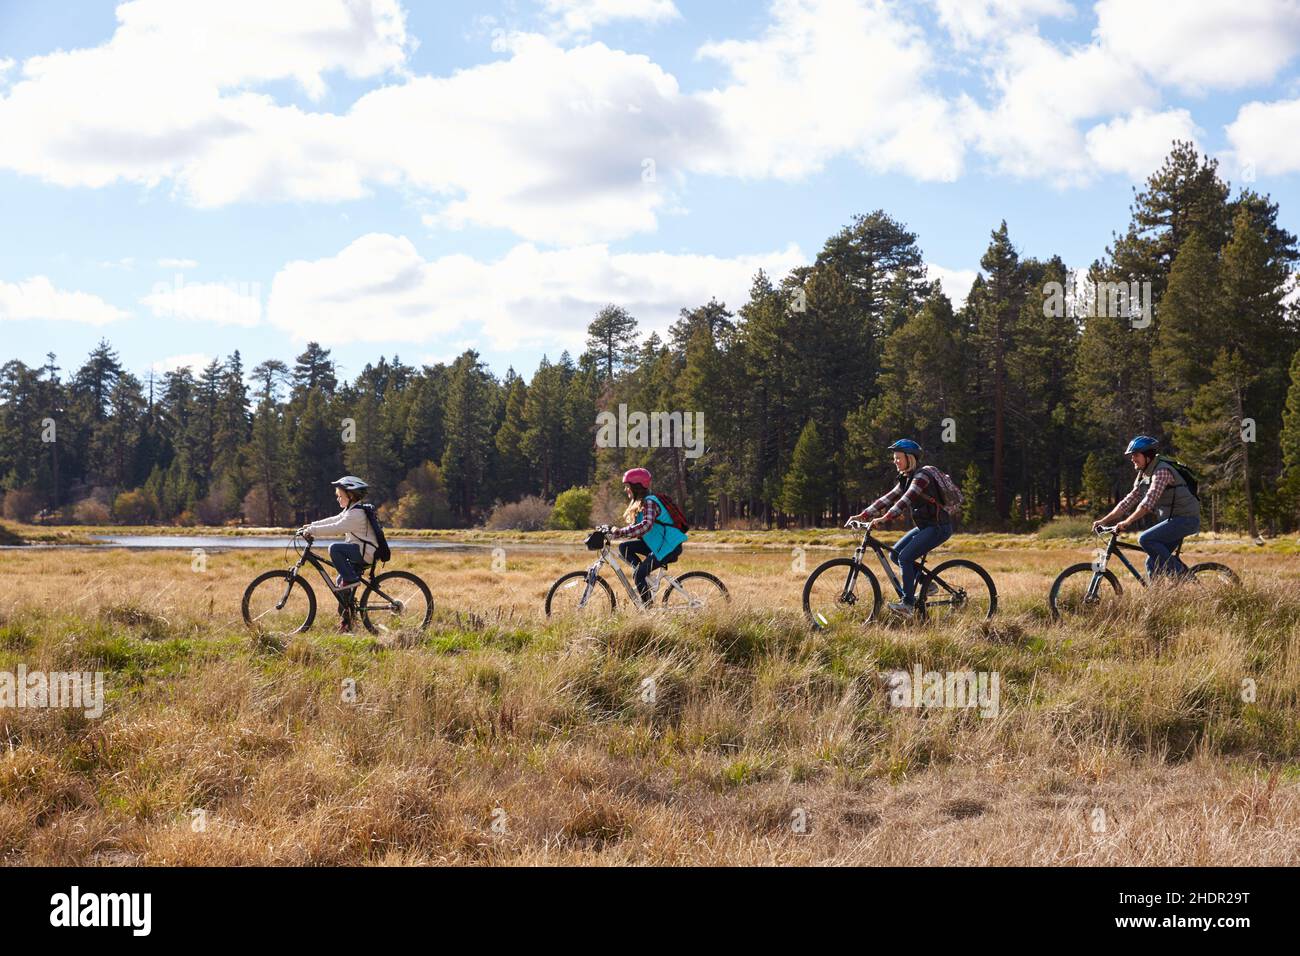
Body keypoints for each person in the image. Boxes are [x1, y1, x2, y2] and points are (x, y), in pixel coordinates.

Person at [847, 439, 952, 616]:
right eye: (894, 458)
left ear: (909, 458)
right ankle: (929, 584)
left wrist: (884, 518)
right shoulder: (906, 478)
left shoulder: (921, 478)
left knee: (904, 558)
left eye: (898, 457)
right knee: (895, 555)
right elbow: (888, 498)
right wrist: (863, 515)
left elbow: (905, 501)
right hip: (925, 526)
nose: (895, 461)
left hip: (938, 527)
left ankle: (908, 605)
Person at [1092, 436, 1200, 579]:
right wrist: (1104, 521)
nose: (1132, 459)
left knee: (1145, 539)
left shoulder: (1161, 471)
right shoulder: (1144, 474)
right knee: (1152, 563)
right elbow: (1128, 501)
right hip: (1173, 519)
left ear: (1148, 456)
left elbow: (1148, 503)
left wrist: (1127, 522)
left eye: (1136, 455)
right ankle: (1160, 597)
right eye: (1132, 455)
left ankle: (1182, 575)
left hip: (1186, 519)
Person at [300, 476, 379, 629]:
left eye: (340, 496)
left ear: (350, 496)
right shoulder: (351, 510)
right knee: (340, 586)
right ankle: (347, 625)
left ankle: (352, 580)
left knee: (335, 548)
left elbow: (337, 527)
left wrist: (312, 530)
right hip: (360, 551)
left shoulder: (356, 514)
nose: (338, 499)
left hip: (365, 553)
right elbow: (334, 519)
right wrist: (311, 525)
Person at [602, 468, 687, 607]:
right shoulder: (641, 504)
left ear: (636, 487)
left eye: (627, 487)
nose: (626, 490)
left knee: (638, 575)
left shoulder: (649, 502)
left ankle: (648, 610)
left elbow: (646, 526)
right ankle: (644, 577)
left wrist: (619, 532)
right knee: (624, 547)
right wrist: (612, 530)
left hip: (669, 547)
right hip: (659, 545)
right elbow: (638, 530)